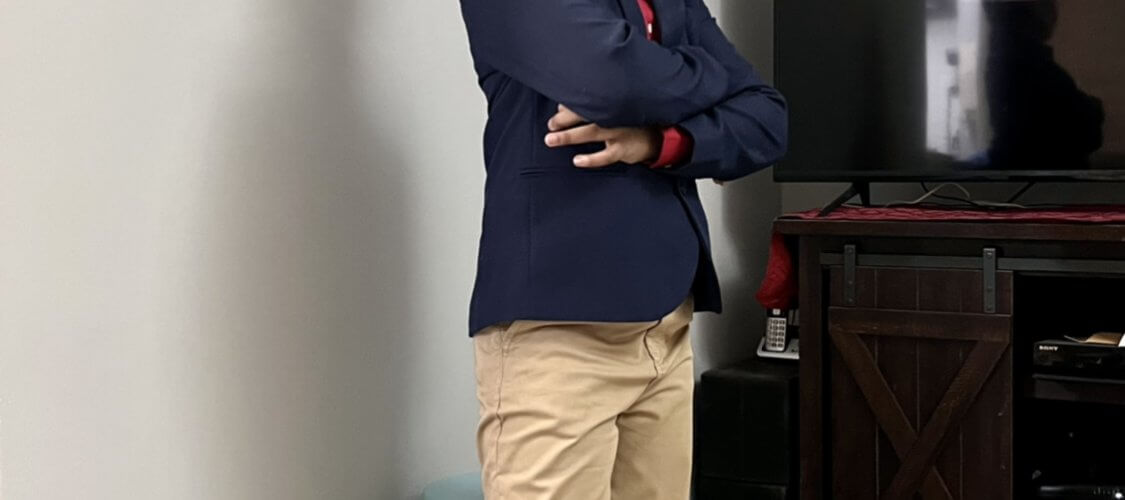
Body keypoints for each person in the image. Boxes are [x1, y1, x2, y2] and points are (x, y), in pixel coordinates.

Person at [458, 0, 788, 498]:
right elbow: (616, 80)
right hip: (558, 330)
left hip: (668, 326)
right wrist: (713, 72)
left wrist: (660, 141)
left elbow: (768, 118)